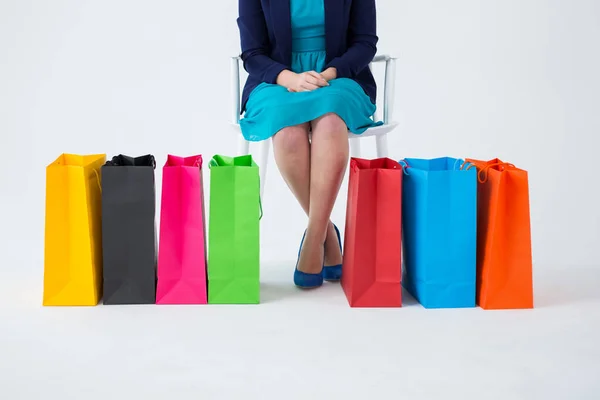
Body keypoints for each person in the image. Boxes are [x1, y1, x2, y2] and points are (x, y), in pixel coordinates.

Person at [237, 0, 380, 288]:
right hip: (277, 81)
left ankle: (313, 241)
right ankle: (327, 235)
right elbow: (252, 53)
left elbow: (365, 42)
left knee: (330, 122)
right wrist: (288, 78)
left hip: (336, 78)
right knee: (288, 134)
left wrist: (327, 75)